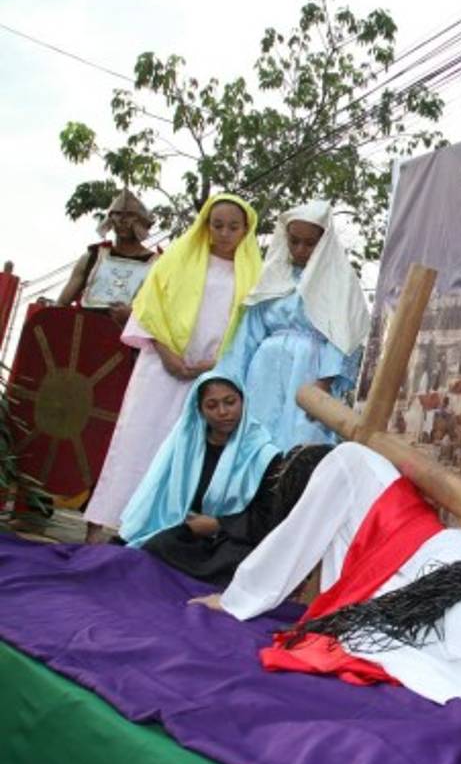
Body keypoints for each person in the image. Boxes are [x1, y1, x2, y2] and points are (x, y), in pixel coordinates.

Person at [190, 442, 461, 755]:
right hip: (422, 569)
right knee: (445, 648)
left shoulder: (346, 461)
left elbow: (292, 543)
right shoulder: (365, 480)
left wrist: (236, 600)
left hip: (430, 564)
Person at [83, 194, 263, 544]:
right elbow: (148, 308)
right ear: (206, 226)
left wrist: (214, 364)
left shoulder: (255, 274)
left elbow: (249, 327)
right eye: (217, 225)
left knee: (185, 452)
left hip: (211, 375)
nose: (224, 233)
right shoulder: (177, 259)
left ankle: (159, 534)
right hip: (161, 365)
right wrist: (168, 355)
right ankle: (103, 525)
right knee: (136, 440)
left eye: (233, 227)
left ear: (246, 230)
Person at [119, 372, 322, 587]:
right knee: (158, 545)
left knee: (240, 562)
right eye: (212, 405)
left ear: (243, 401)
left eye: (230, 402)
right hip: (187, 534)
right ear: (199, 410)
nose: (223, 412)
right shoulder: (184, 447)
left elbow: (266, 515)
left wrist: (219, 525)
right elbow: (158, 496)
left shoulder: (264, 455)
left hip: (232, 539)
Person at [220, 201, 369, 450]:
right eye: (294, 241)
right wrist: (231, 383)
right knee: (257, 433)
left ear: (324, 242)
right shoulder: (271, 275)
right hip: (264, 368)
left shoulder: (339, 281)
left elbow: (342, 337)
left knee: (302, 436)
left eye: (310, 243)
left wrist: (323, 386)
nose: (300, 249)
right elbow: (249, 334)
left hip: (309, 370)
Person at [57, 189, 159, 324]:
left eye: (129, 215)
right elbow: (61, 305)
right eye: (117, 214)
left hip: (127, 340)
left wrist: (133, 316)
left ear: (142, 222)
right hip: (85, 335)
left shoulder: (157, 264)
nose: (122, 220)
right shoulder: (91, 258)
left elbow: (162, 313)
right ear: (110, 218)